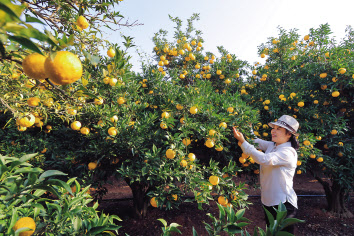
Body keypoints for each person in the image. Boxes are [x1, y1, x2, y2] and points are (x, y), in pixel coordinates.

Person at [232, 115, 300, 234]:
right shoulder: (273, 145)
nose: (273, 130)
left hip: (284, 205)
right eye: (273, 127)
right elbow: (255, 141)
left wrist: (243, 141)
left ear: (289, 134)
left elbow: (264, 159)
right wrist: (248, 128)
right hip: (269, 201)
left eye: (278, 129)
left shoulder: (288, 152)